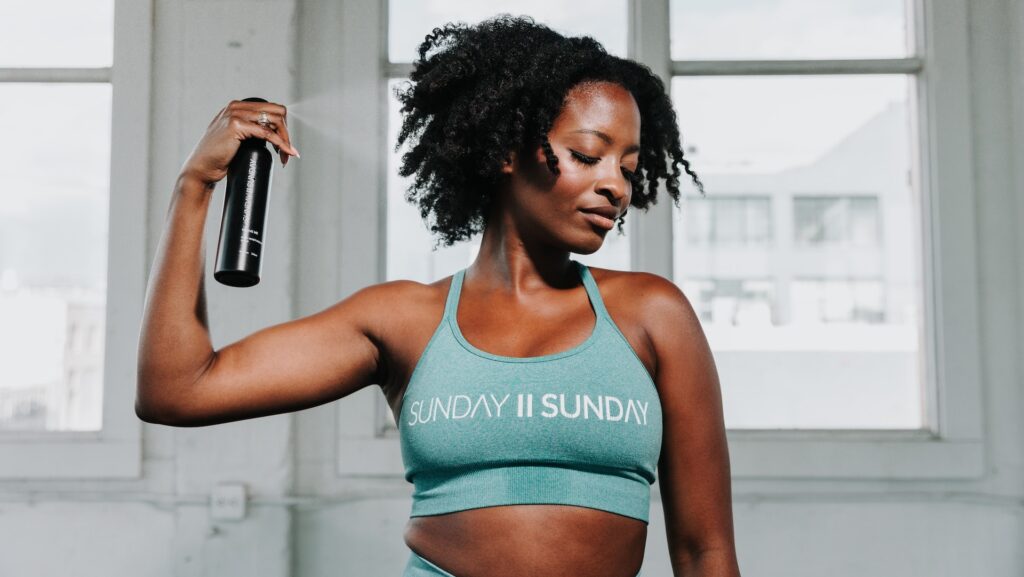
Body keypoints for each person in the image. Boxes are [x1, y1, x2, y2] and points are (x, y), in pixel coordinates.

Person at [136, 14, 740, 577]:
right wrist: (195, 185)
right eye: (587, 155)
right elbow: (176, 389)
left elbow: (704, 550)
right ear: (506, 149)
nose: (615, 187)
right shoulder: (403, 319)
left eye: (628, 169)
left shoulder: (652, 314)